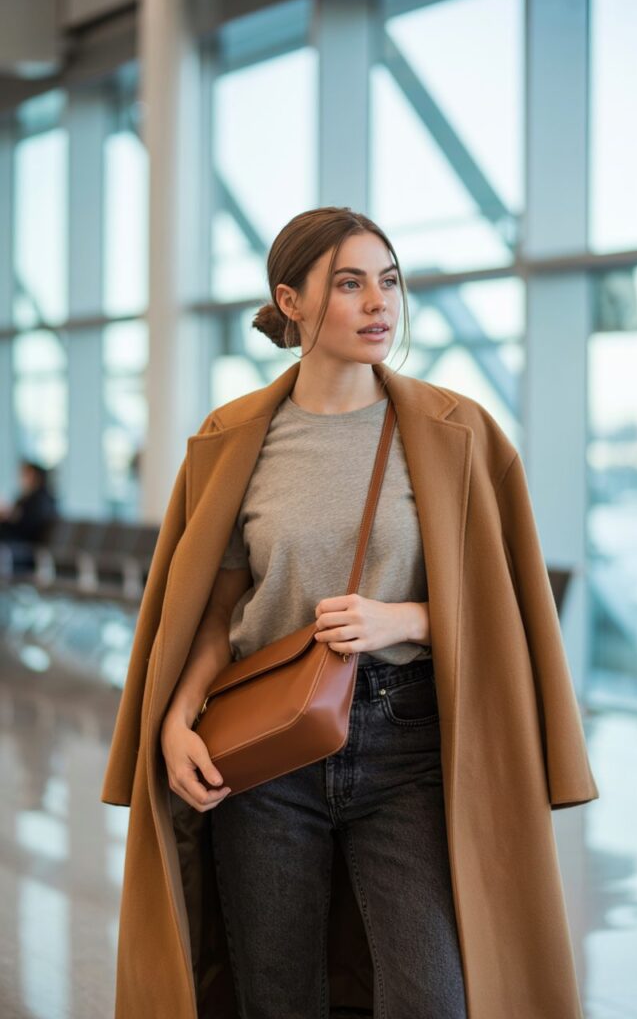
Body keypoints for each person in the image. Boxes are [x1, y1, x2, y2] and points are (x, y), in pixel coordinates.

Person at [102, 207, 599, 1019]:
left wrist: (403, 620)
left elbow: (506, 613)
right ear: (290, 301)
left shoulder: (455, 432)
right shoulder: (232, 439)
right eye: (350, 283)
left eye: (389, 281)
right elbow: (219, 608)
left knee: (432, 993)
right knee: (277, 995)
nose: (380, 303)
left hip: (409, 742)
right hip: (263, 748)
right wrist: (177, 720)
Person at [0, 459, 58, 573]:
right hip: (14, 539)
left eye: (26, 474)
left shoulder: (41, 500)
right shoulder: (25, 498)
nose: (22, 478)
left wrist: (12, 516)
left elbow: (30, 524)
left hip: (27, 545)